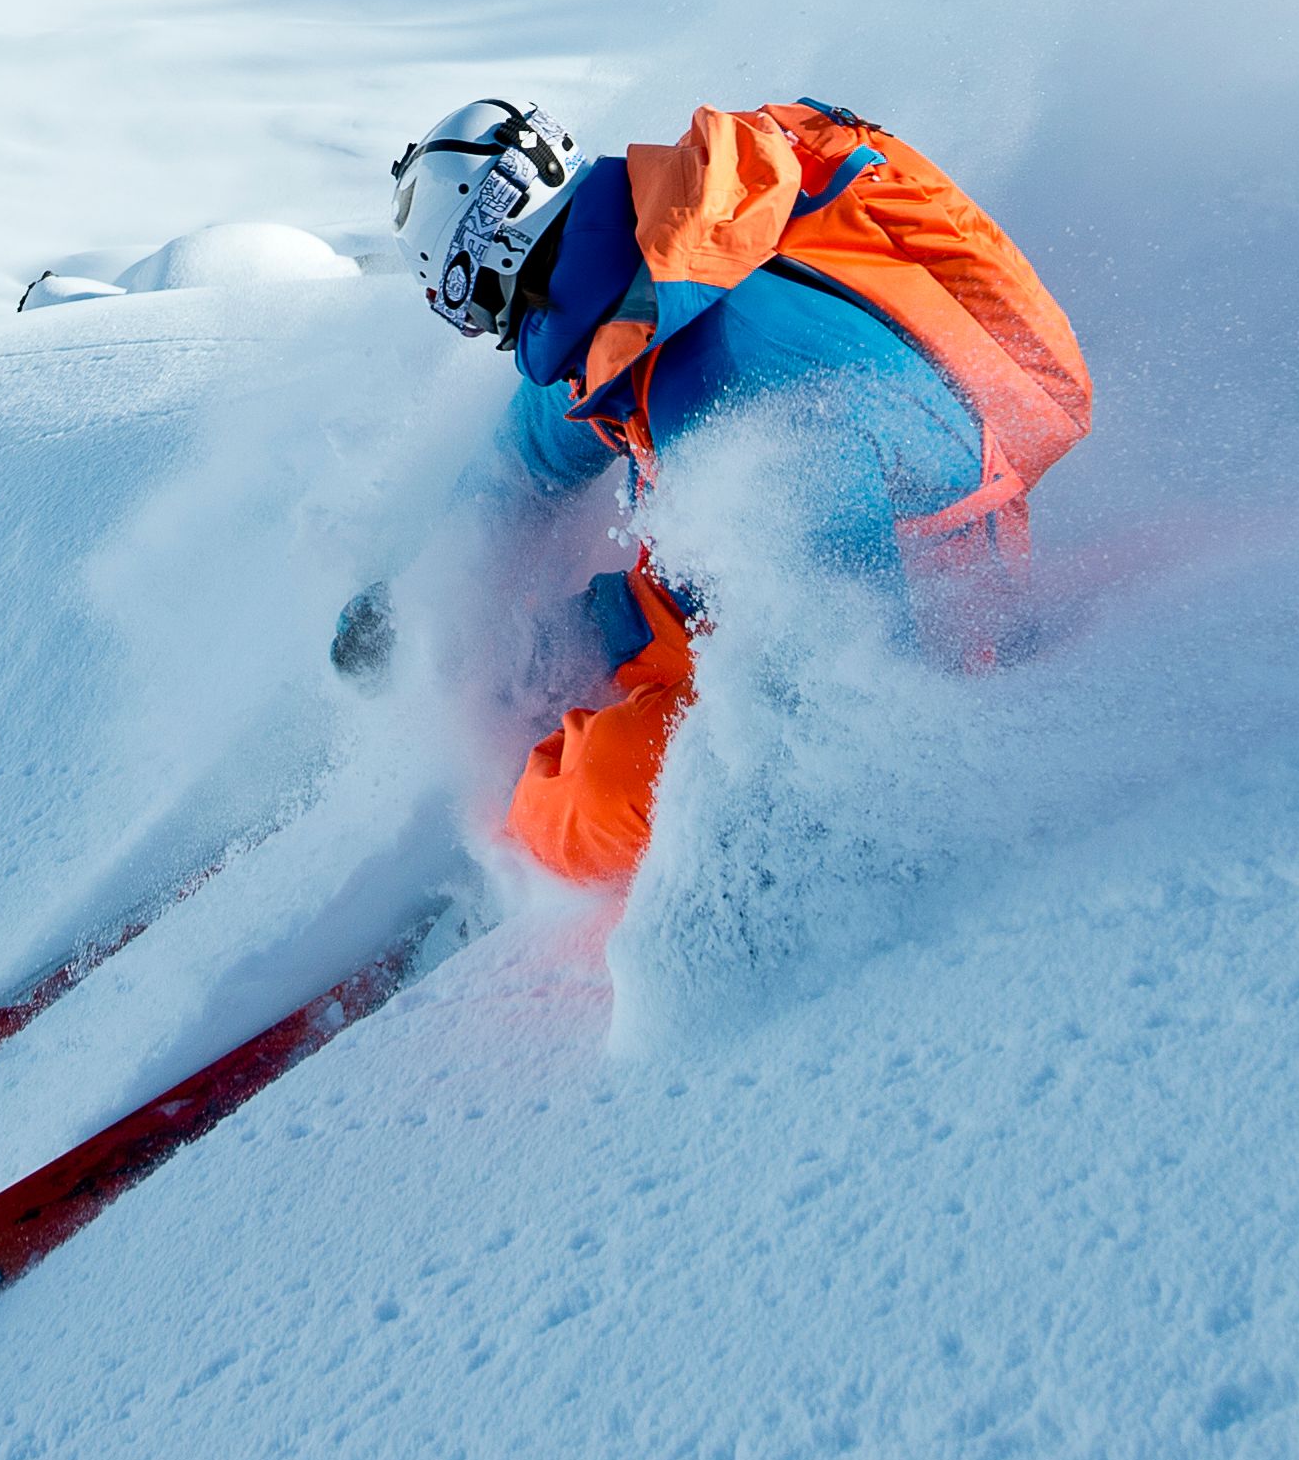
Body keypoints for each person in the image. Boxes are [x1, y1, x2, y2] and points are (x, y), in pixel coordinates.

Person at [387, 96, 1090, 889]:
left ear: (494, 260)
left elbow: (850, 693)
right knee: (559, 643)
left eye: (466, 302)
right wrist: (431, 587)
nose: (487, 331)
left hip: (927, 601)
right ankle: (539, 694)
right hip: (816, 550)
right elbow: (533, 446)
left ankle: (513, 841)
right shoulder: (674, 255)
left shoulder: (724, 389)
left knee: (598, 791)